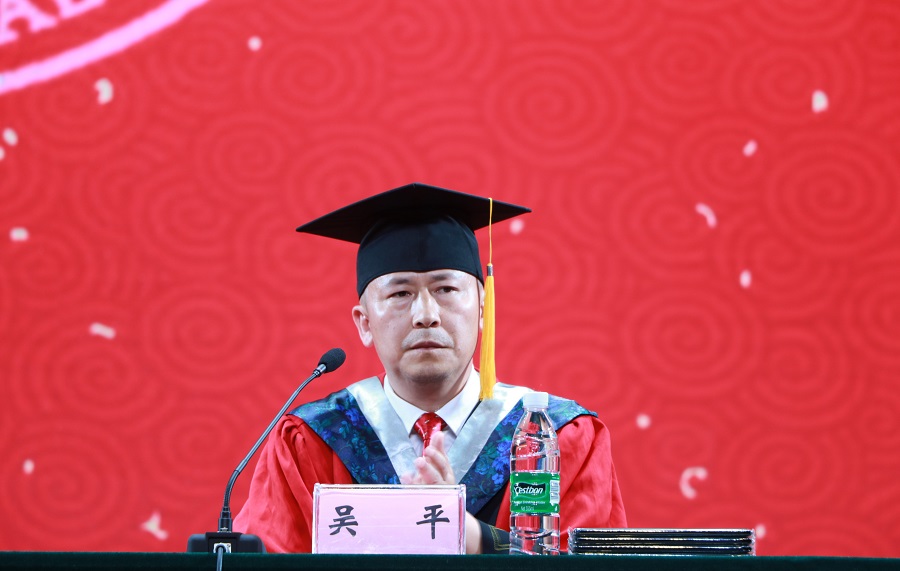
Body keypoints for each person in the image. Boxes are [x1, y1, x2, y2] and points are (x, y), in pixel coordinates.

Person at [233, 183, 626, 553]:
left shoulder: (558, 436)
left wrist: (475, 539)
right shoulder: (312, 441)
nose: (426, 314)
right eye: (400, 293)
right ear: (364, 323)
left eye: (445, 289)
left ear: (483, 309)